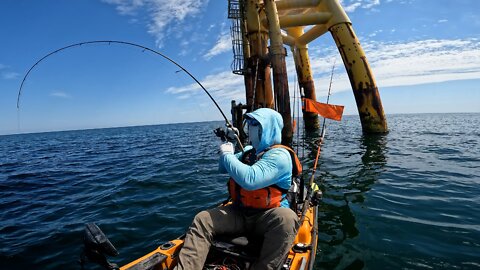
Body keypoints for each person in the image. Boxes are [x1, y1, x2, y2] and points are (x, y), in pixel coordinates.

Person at [175, 108, 299, 270]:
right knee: (203, 219)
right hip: (240, 212)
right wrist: (231, 144)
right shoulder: (249, 151)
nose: (251, 127)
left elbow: (250, 179)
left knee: (287, 219)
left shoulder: (280, 156)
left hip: (268, 215)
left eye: (256, 124)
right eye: (250, 124)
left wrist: (227, 155)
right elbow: (222, 168)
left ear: (268, 128)